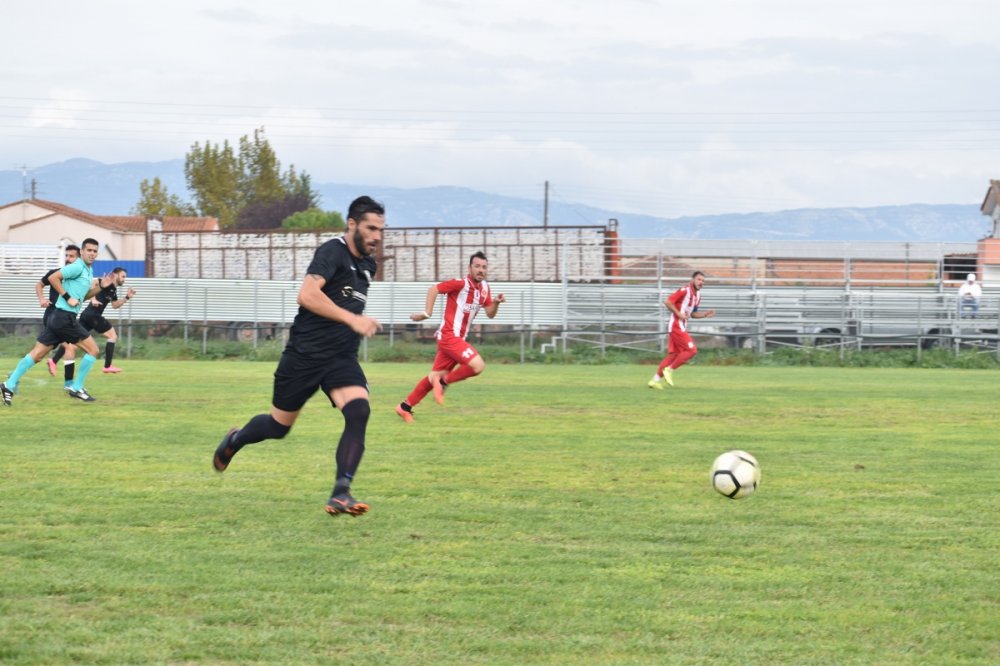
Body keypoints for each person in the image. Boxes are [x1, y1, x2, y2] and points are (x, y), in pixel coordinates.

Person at [212, 196, 385, 517]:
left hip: (340, 358)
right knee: (278, 427)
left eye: (380, 230)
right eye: (371, 228)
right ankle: (235, 440)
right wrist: (353, 320)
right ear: (352, 225)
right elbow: (306, 295)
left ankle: (341, 493)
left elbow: (344, 302)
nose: (377, 236)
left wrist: (353, 323)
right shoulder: (332, 251)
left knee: (359, 411)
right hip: (304, 356)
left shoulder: (367, 265)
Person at [395, 251, 505, 422]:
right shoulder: (460, 284)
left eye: (484, 267)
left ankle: (404, 407)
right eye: (477, 266)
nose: (481, 270)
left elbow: (490, 314)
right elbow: (434, 289)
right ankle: (444, 382)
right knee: (478, 365)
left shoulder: (485, 289)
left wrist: (496, 303)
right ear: (470, 268)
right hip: (449, 336)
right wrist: (427, 313)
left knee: (433, 377)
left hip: (457, 339)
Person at [1, 238, 104, 405]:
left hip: (58, 318)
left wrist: (101, 287)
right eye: (89, 250)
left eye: (95, 251)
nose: (92, 253)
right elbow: (53, 278)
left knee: (37, 354)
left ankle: (9, 384)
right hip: (64, 318)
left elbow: (82, 297)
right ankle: (76, 387)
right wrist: (67, 297)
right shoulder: (77, 267)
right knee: (93, 350)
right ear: (82, 252)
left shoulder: (87, 271)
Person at [53, 267, 136, 373]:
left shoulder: (113, 290)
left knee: (72, 341)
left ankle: (53, 360)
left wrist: (127, 298)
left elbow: (115, 305)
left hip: (87, 316)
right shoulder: (106, 282)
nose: (124, 279)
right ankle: (107, 366)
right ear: (115, 275)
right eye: (123, 276)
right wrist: (93, 299)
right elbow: (92, 283)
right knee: (112, 336)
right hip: (93, 316)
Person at [648, 270, 715, 389]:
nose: (701, 282)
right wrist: (678, 314)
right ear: (692, 280)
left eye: (703, 281)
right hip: (676, 325)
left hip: (682, 325)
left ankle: (654, 381)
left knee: (673, 355)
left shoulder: (698, 296)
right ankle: (669, 370)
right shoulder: (684, 291)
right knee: (692, 350)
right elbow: (667, 302)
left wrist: (704, 314)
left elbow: (693, 314)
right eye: (699, 279)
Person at [36, 245, 80, 388]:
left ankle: (12, 378)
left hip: (64, 318)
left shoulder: (77, 278)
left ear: (78, 258)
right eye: (66, 255)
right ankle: (69, 385)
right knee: (71, 348)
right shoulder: (56, 273)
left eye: (72, 256)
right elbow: (39, 285)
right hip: (53, 317)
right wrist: (42, 299)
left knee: (38, 355)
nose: (68, 259)